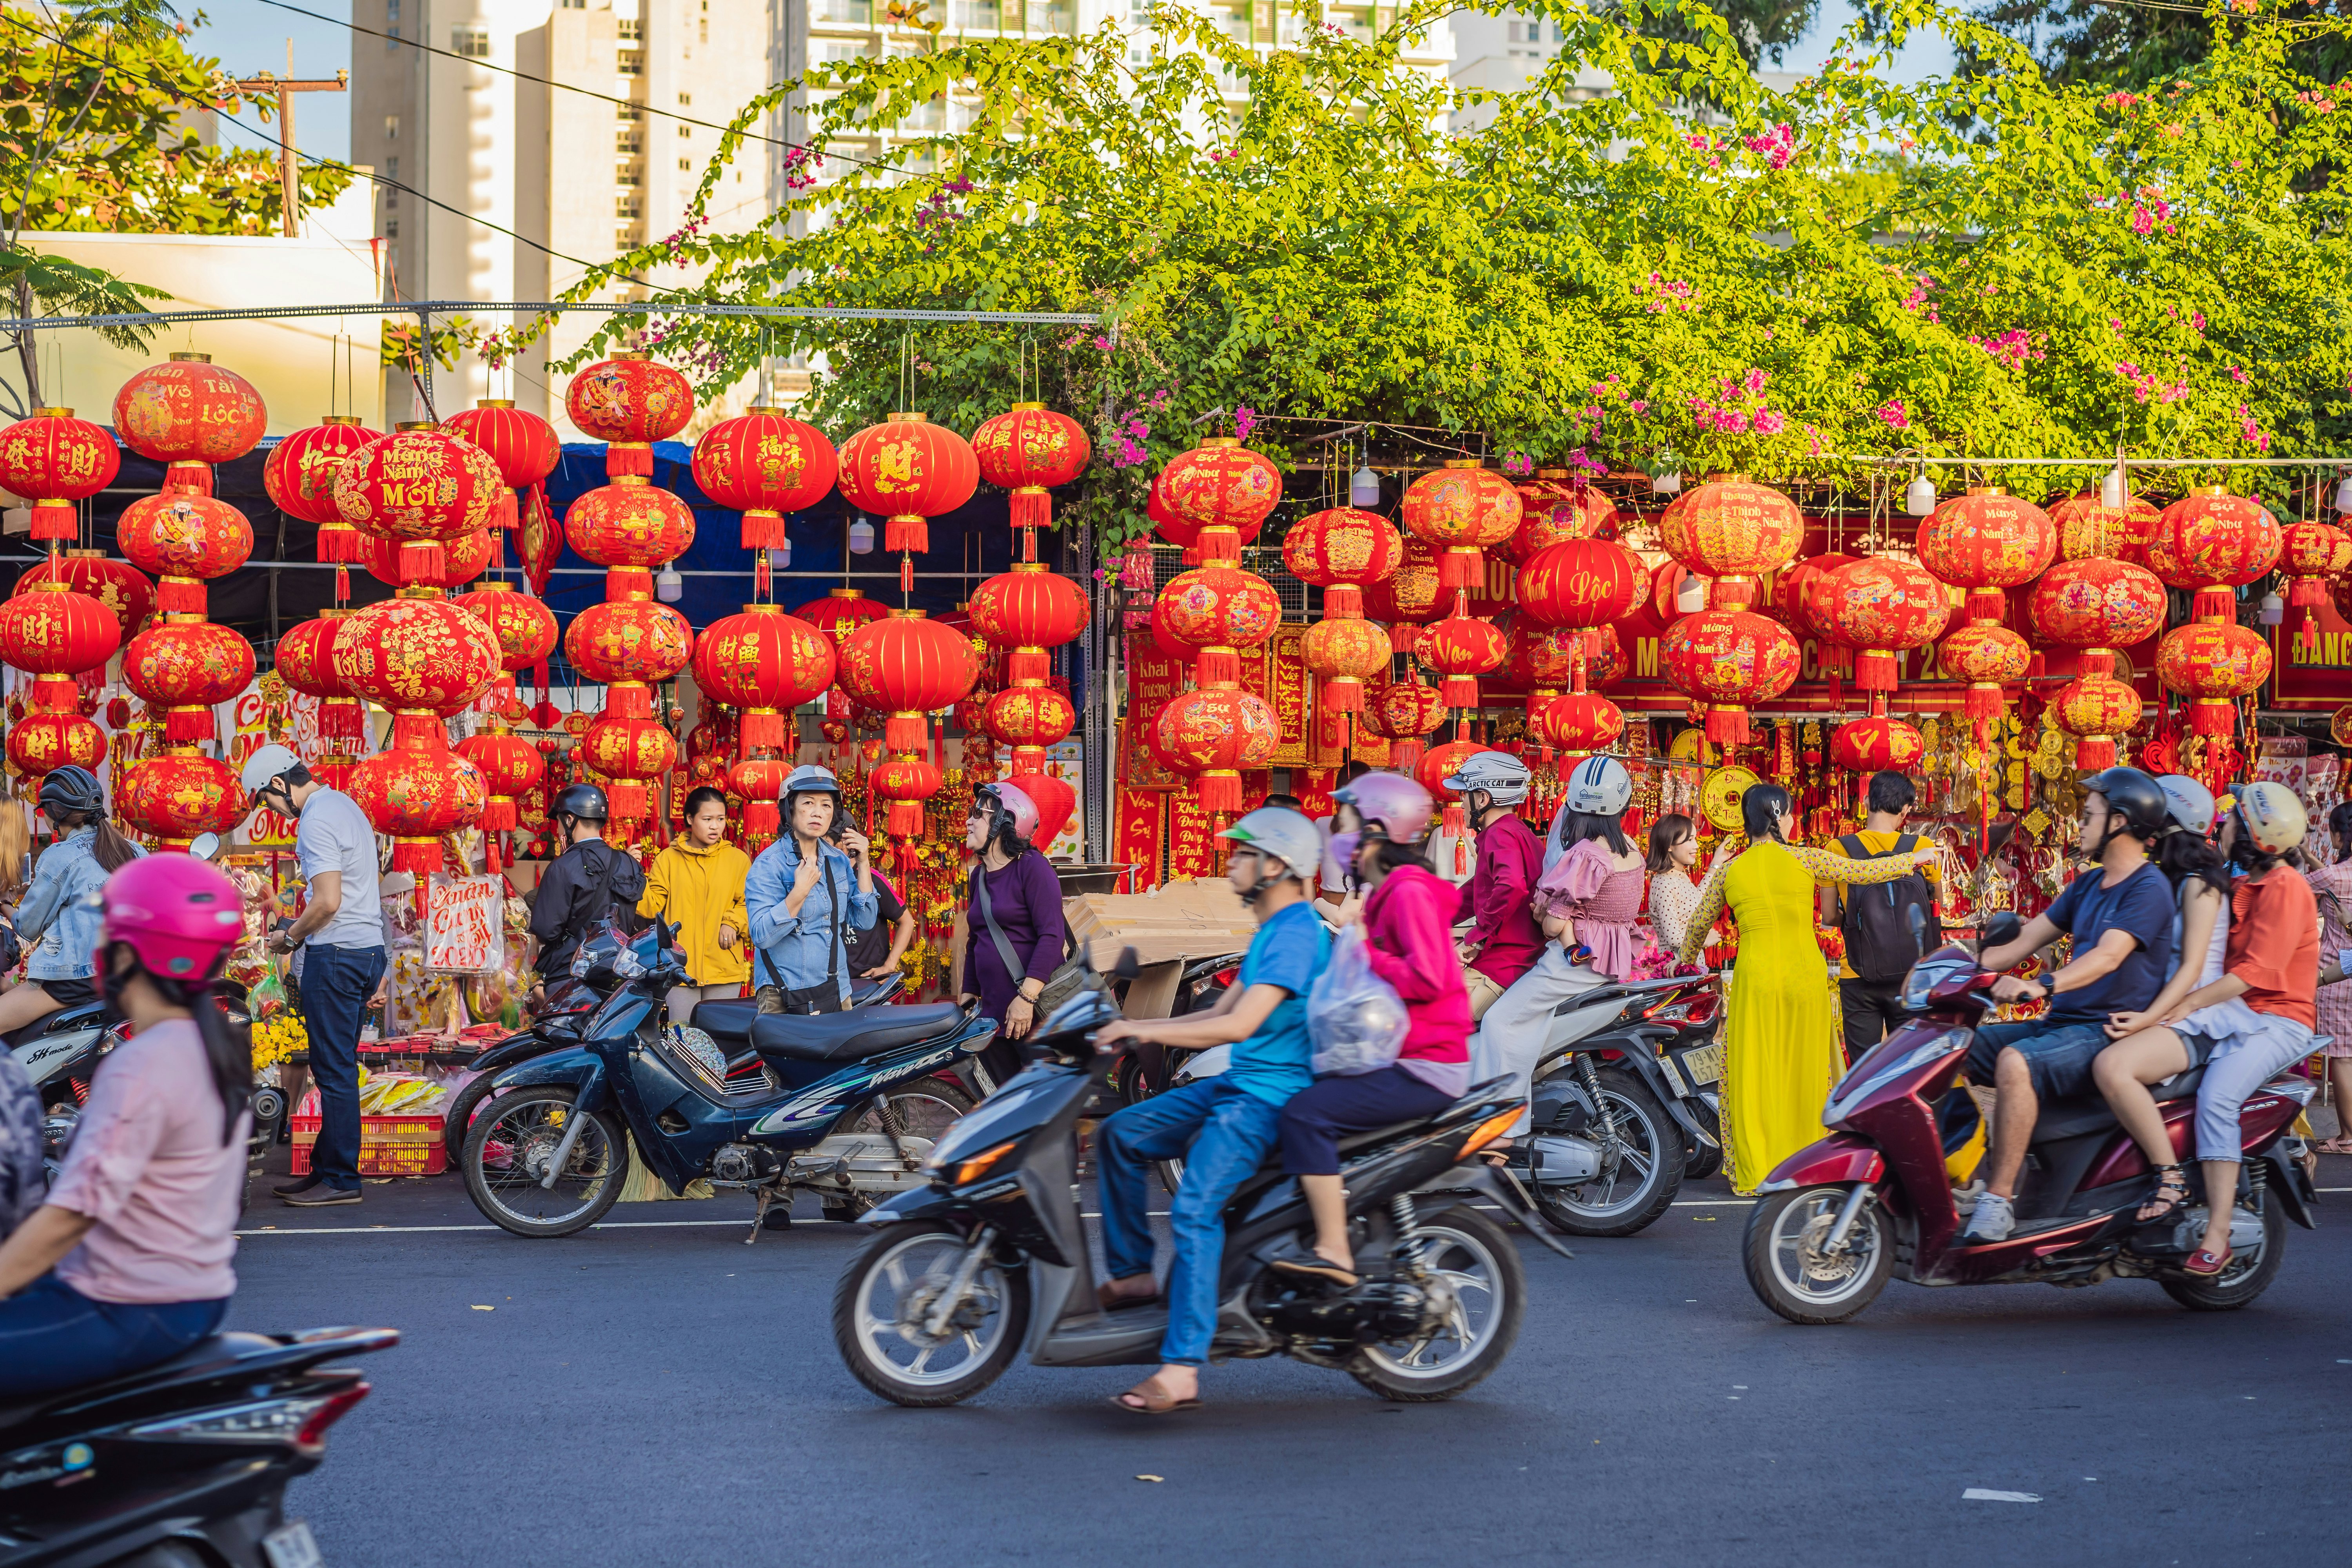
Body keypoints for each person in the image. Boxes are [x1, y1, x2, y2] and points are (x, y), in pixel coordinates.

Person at [1091, 806, 1329, 1414]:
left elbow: (1239, 1025)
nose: (1231, 862)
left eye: (1243, 854)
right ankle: (1134, 1273)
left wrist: (1152, 1032)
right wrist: (1138, 1028)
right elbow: (1217, 1012)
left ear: (1277, 866)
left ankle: (1182, 1368)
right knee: (1121, 1132)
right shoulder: (1273, 930)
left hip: (1268, 1101)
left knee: (1195, 1206)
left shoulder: (1299, 933)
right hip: (1238, 1086)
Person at [0, 854, 250, 1399]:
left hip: (128, 1304)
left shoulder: (145, 1063)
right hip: (189, 1295)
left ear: (133, 952)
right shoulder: (207, 1046)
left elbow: (73, 1215)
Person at [2089, 783, 2318, 1273]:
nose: (2225, 825)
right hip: (2236, 1014)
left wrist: (2185, 1005)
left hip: (2274, 1021)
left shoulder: (2285, 887)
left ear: (2259, 835)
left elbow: (2255, 972)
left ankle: (2217, 1231)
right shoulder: (2240, 882)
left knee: (2217, 1097)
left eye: (2235, 819)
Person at [1953, 768, 2177, 1243]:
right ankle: (1963, 1172)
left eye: (2089, 815)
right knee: (1953, 1047)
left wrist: (2043, 984)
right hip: (2064, 1024)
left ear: (2119, 823)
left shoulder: (2149, 888)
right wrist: (1955, 968)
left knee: (2016, 1063)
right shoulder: (2087, 885)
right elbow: (2024, 940)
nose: (2079, 824)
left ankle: (1999, 1202)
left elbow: (2109, 955)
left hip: (2103, 1031)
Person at [1681, 782, 1936, 1194]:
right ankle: (1805, 1160)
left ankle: (1760, 1165)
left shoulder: (1731, 870)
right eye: (1791, 813)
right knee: (1805, 1066)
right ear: (1779, 815)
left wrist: (1684, 960)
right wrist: (1914, 859)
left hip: (1756, 978)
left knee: (1756, 1068)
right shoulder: (1804, 859)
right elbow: (1865, 872)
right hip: (1803, 976)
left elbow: (1697, 926)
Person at [1273, 775, 1470, 1287]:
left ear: (1378, 831)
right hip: (1397, 1054)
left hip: (1424, 1064)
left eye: (1347, 824)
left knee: (1305, 1116)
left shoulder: (1407, 893)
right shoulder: (1390, 892)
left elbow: (1428, 978)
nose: (1338, 836)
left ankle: (1334, 1249)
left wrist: (1367, 951)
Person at [1468, 757, 1649, 1155]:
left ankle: (1501, 1128)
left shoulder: (1587, 854)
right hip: (1608, 959)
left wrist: (1549, 916)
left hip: (1574, 962)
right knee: (1528, 1022)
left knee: (1501, 1022)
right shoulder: (1632, 850)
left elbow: (1552, 925)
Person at [243, 744, 389, 1210]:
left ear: (281, 784)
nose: (272, 809)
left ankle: (342, 1177)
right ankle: (327, 1168)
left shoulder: (315, 820)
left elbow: (327, 901)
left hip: (338, 952)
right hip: (365, 950)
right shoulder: (344, 805)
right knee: (336, 1065)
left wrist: (291, 938)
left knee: (333, 1070)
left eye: (267, 798)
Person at [2091, 775, 2232, 1224]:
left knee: (2113, 1067)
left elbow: (2191, 968)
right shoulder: (2158, 880)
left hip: (2192, 1017)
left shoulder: (2196, 884)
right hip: (2166, 1011)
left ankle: (2170, 1175)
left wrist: (2148, 1019)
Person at [0, 766, 142, 1038]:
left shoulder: (60, 856)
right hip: (131, 977)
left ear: (55, 814)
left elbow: (29, 928)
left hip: (77, 982)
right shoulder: (136, 850)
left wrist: (6, 902)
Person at [1818, 770, 1942, 1063]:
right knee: (1911, 1065)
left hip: (1859, 974)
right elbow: (1936, 904)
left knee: (1865, 1069)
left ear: (1866, 802)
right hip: (1912, 976)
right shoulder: (1921, 849)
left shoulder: (1838, 849)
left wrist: (1857, 919)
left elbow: (1828, 916)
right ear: (1906, 809)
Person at [743, 766, 876, 1015]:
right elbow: (761, 936)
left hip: (837, 989)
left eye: (827, 805)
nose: (818, 812)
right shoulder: (769, 865)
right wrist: (799, 892)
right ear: (790, 808)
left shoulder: (837, 860)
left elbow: (865, 921)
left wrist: (864, 862)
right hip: (784, 994)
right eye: (808, 803)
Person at [957, 782, 1065, 1085]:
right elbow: (976, 939)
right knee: (1002, 1104)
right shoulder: (978, 876)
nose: (969, 821)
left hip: (1033, 1014)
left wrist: (1026, 998)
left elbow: (1052, 935)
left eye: (979, 814)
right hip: (992, 1016)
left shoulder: (1033, 868)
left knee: (1041, 1108)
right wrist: (968, 996)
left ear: (1006, 824)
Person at [1443, 750, 1545, 1022]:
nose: (1462, 801)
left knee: (1436, 1021)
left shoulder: (1499, 835)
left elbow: (1511, 886)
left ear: (1484, 799)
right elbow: (1478, 889)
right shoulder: (1518, 831)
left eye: (1465, 793)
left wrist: (1478, 934)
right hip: (1516, 955)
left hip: (1504, 962)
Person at [637, 786, 751, 1025]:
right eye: (707, 819)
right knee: (682, 1038)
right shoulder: (668, 860)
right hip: (679, 967)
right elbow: (651, 907)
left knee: (721, 1038)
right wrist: (633, 876)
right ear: (690, 819)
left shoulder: (737, 860)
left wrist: (732, 922)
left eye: (720, 819)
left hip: (723, 964)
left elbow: (750, 903)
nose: (715, 826)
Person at [526, 782, 648, 986]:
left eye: (558, 822)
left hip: (572, 973)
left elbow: (546, 930)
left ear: (570, 820)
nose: (557, 830)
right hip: (617, 972)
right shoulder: (629, 862)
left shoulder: (563, 867)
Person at [2307, 800, 2352, 1155]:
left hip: (2337, 975)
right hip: (2343, 970)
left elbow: (2297, 888)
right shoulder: (2334, 875)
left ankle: (2348, 1136)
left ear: (2338, 836)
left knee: (2343, 1059)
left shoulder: (2332, 876)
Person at [1643, 813, 1715, 962]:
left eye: (1695, 839)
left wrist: (1718, 860)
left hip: (1690, 969)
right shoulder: (1664, 883)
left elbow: (1699, 898)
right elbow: (1674, 938)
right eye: (1690, 840)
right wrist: (1705, 940)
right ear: (1669, 845)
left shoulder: (1679, 877)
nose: (1696, 846)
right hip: (1675, 973)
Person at [848, 867, 919, 998]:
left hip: (871, 984)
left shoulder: (873, 878)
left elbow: (907, 922)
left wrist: (888, 966)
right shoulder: (824, 877)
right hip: (834, 984)